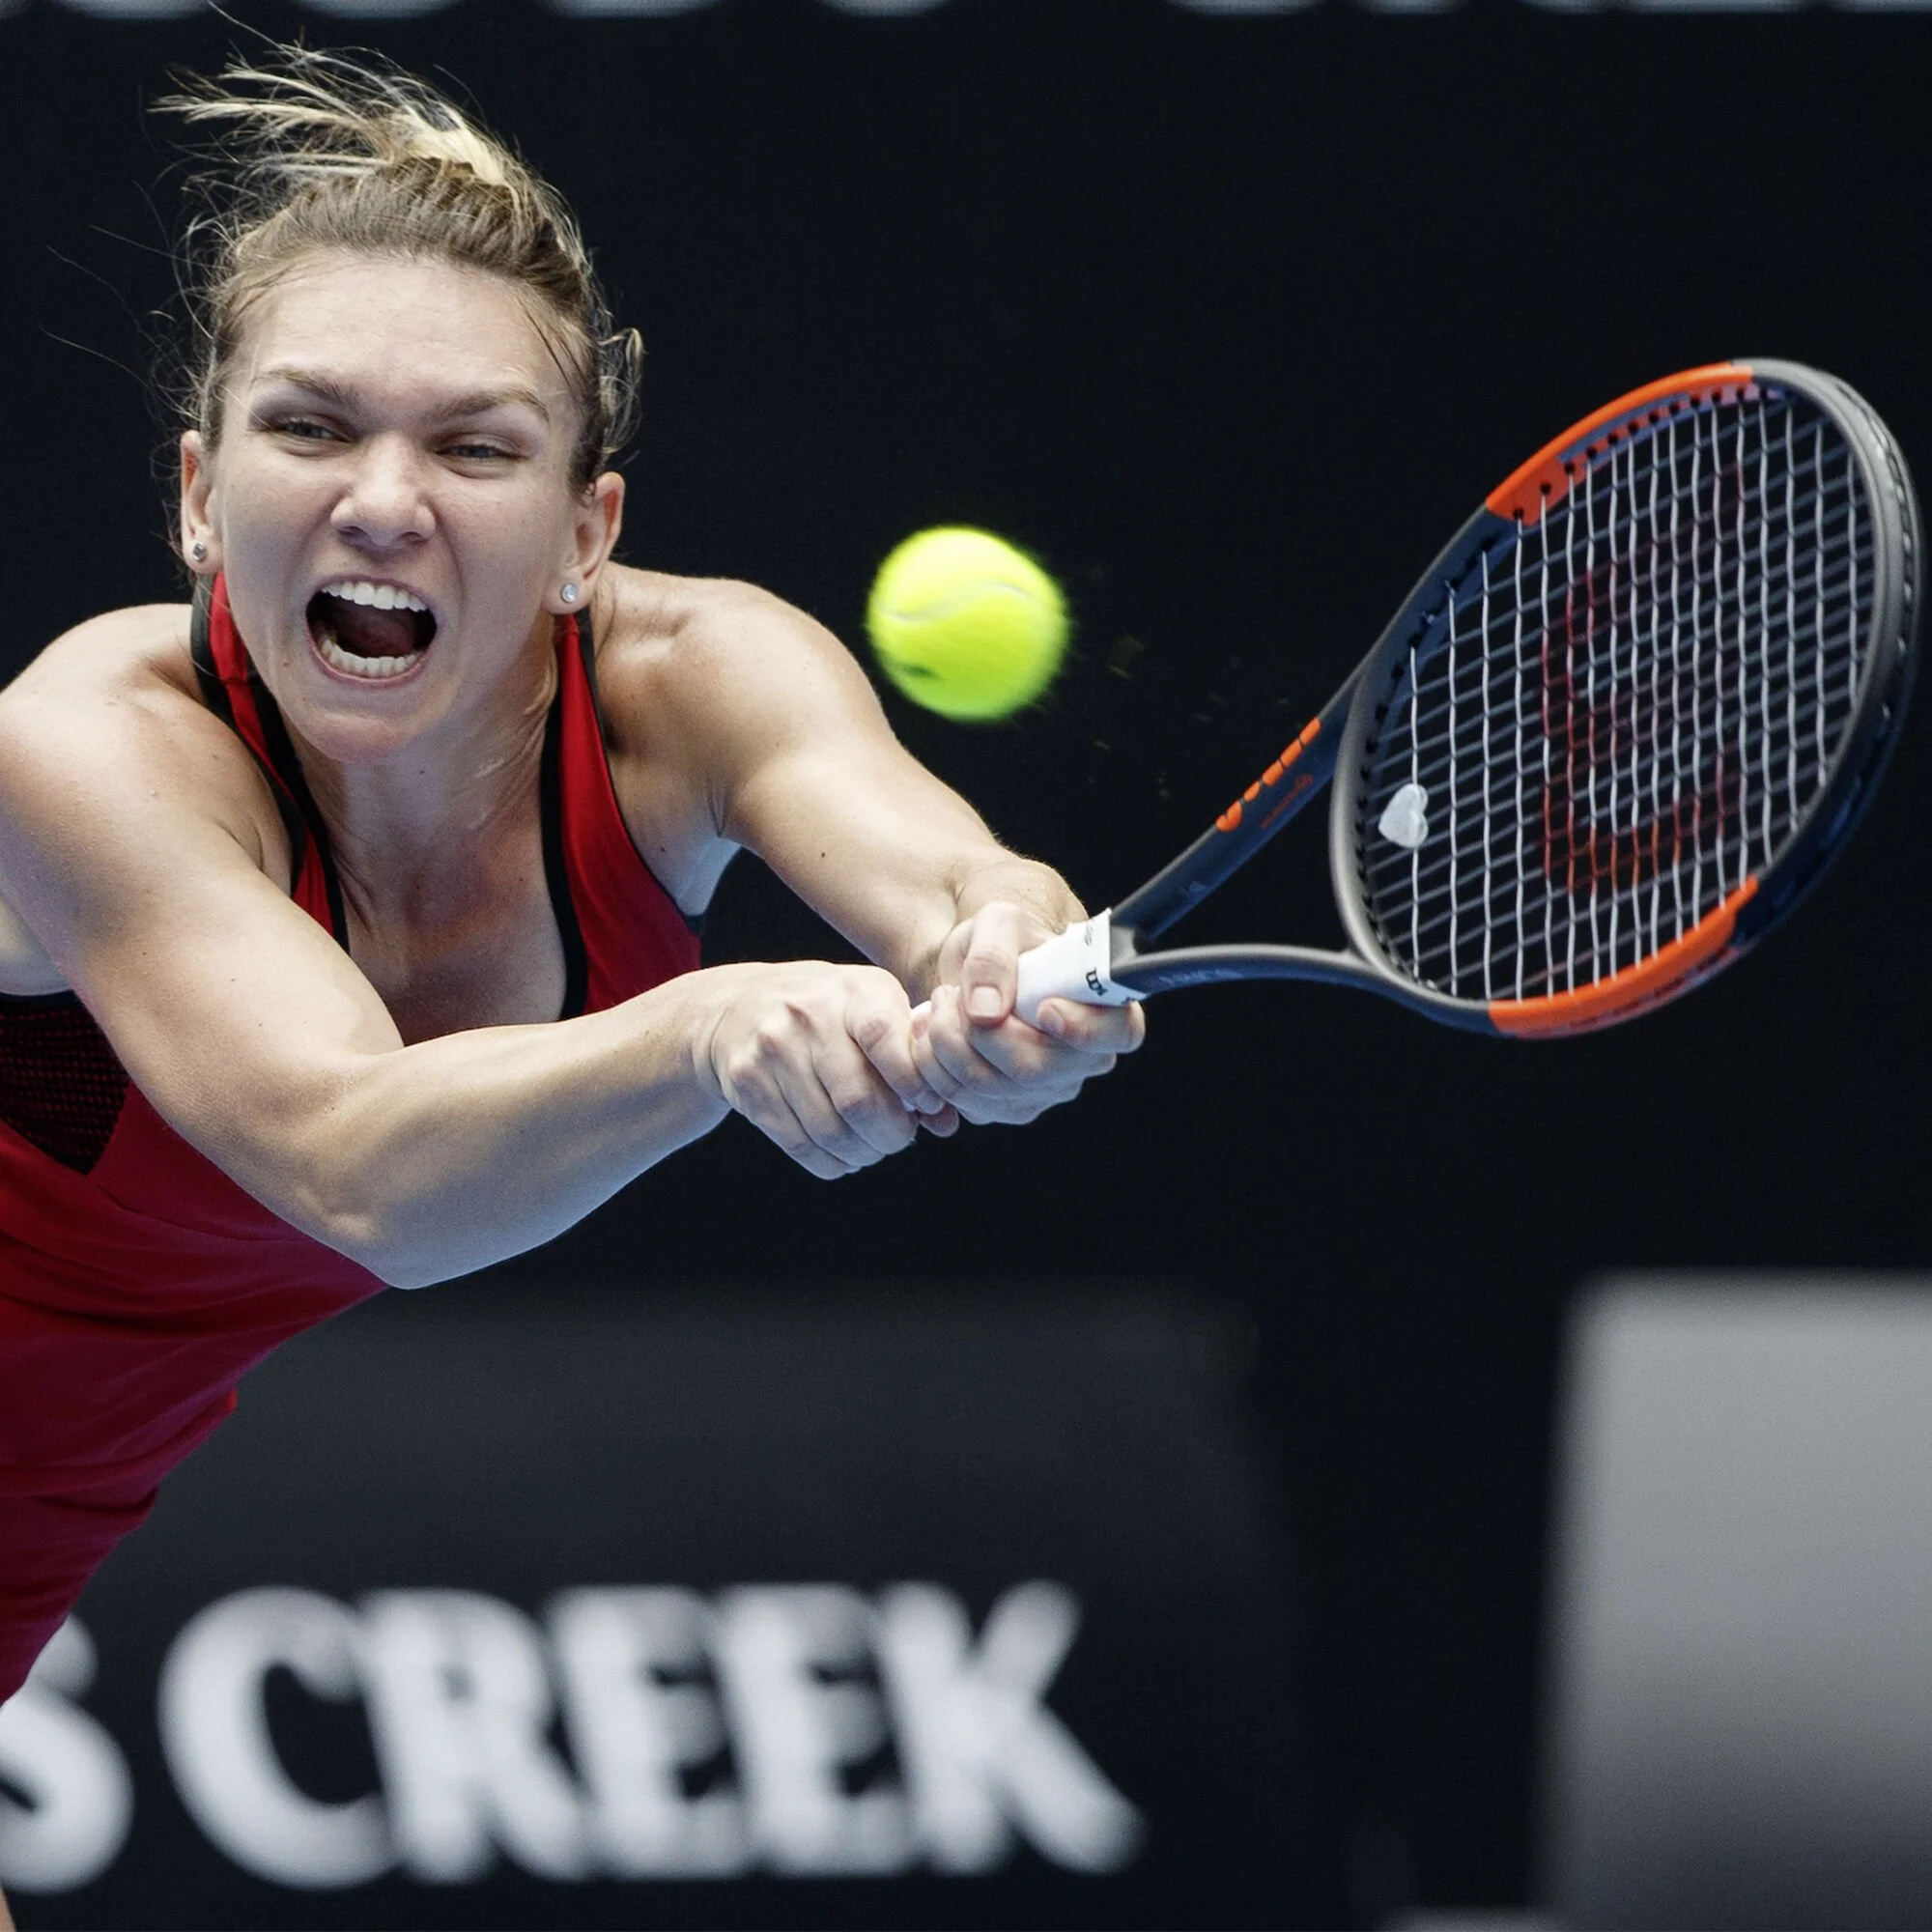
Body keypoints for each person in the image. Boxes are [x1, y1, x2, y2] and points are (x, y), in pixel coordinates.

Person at [0, 45, 1140, 1899]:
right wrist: (706, 1026)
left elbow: (947, 879)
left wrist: (1003, 956)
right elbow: (356, 1156)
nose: (385, 500)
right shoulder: (87, 748)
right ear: (201, 498)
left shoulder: (694, 686)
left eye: (474, 448)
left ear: (583, 537)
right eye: (311, 429)